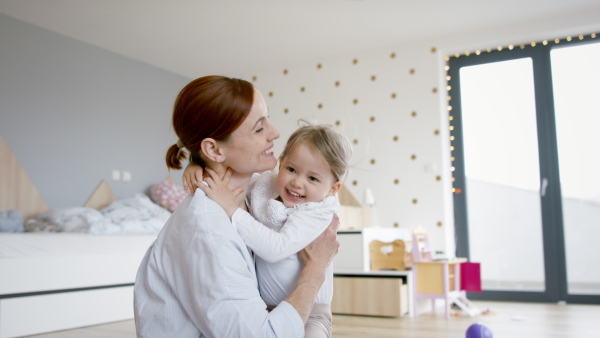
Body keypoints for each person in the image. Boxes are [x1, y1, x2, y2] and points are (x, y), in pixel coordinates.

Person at [133, 76, 340, 338]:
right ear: (215, 150)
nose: (276, 133)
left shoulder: (253, 190)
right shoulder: (209, 229)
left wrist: (198, 163)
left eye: (268, 119)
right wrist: (315, 270)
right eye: (258, 128)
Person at [195, 121, 352, 337]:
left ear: (332, 189)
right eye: (291, 169)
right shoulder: (265, 186)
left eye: (312, 178)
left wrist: (232, 209)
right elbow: (229, 176)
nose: (297, 182)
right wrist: (197, 166)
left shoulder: (317, 211)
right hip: (266, 307)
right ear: (281, 162)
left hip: (310, 314)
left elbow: (275, 249)